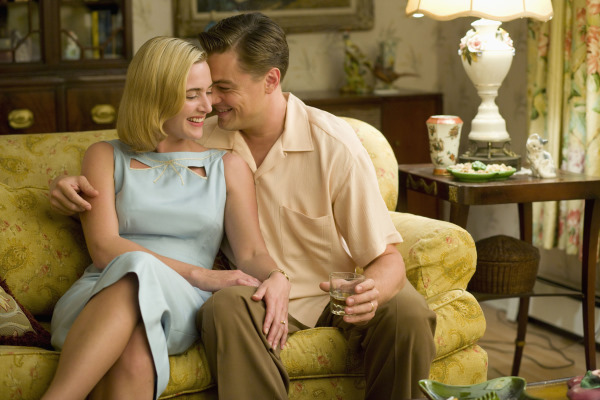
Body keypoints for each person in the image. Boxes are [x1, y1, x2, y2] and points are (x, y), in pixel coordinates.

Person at [49, 13, 437, 400]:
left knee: (407, 310)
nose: (210, 103)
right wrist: (65, 184)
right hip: (253, 296)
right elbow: (143, 140)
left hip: (328, 297)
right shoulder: (201, 132)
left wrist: (370, 292)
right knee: (224, 306)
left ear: (270, 80)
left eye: (221, 88)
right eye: (202, 90)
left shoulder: (333, 143)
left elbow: (386, 257)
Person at [42, 36, 290, 400]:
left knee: (138, 270)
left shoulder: (227, 167)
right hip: (99, 297)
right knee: (134, 346)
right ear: (155, 96)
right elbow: (105, 248)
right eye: (192, 95)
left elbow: (251, 252)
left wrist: (278, 276)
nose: (208, 106)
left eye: (209, 92)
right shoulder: (105, 156)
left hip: (180, 303)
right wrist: (203, 275)